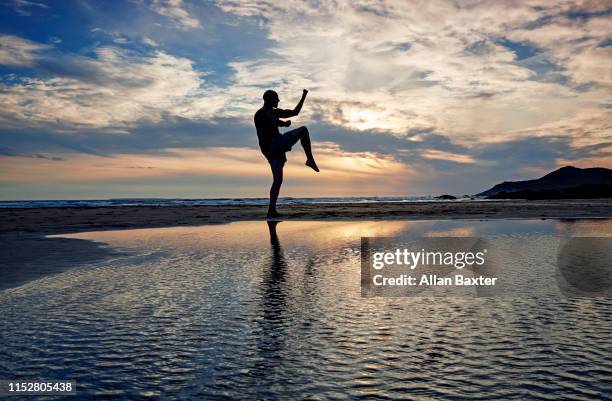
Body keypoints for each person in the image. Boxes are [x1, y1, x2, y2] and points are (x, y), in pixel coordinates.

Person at [254, 89, 319, 219]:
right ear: (270, 99)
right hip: (276, 145)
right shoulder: (272, 112)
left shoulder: (259, 114)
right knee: (303, 130)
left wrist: (285, 124)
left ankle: (271, 210)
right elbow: (295, 112)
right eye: (276, 98)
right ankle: (310, 159)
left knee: (277, 180)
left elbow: (274, 123)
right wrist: (303, 96)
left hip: (268, 151)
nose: (278, 100)